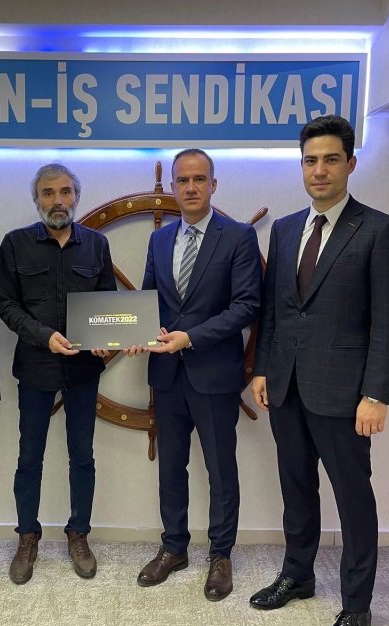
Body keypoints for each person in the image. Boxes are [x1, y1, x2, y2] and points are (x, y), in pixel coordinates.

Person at [249, 115, 389, 626]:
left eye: (330, 160)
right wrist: (262, 369)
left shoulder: (381, 230)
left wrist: (376, 394)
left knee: (353, 498)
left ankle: (357, 605)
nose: (319, 170)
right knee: (296, 489)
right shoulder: (285, 229)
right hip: (286, 386)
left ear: (351, 164)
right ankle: (297, 575)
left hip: (345, 394)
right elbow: (275, 310)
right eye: (310, 160)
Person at [131, 149, 262, 600]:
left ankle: (221, 555)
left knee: (220, 469)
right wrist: (139, 332)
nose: (190, 187)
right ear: (172, 186)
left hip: (215, 372)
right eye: (183, 180)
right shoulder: (159, 240)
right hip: (167, 373)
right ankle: (174, 548)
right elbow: (148, 300)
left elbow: (246, 306)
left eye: (199, 179)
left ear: (213, 185)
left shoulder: (239, 236)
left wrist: (191, 337)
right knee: (171, 466)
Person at [0, 163, 117, 584]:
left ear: (76, 197)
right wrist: (43, 336)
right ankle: (27, 537)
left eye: (65, 191)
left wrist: (107, 337)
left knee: (83, 456)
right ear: (37, 199)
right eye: (48, 193)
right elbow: (7, 305)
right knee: (29, 457)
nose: (58, 200)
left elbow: (107, 303)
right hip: (35, 367)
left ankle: (78, 534)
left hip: (83, 369)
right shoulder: (14, 244)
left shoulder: (97, 245)